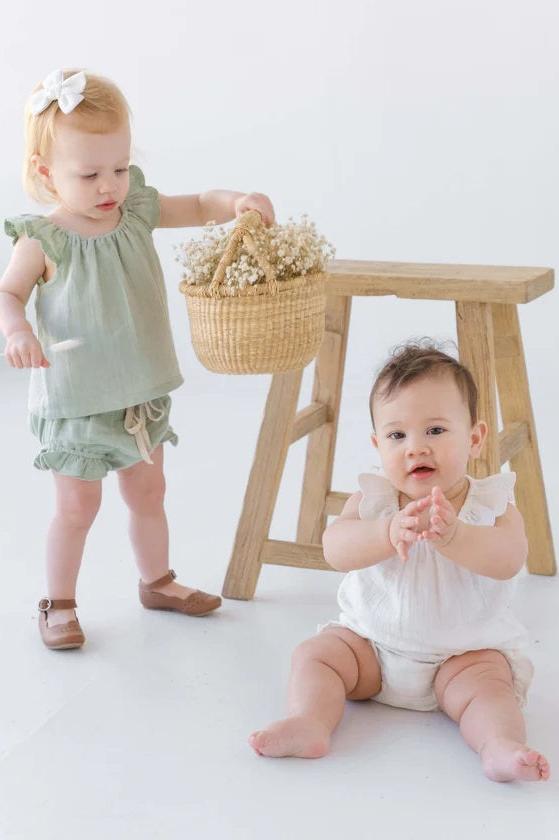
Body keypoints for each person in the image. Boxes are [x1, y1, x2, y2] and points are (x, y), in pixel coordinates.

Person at [0, 69, 275, 650]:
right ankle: (58, 602)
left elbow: (199, 204)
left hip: (140, 391)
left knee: (149, 493)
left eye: (120, 168)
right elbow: (8, 293)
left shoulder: (137, 211)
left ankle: (158, 580)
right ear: (47, 173)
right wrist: (17, 329)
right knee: (77, 506)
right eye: (91, 174)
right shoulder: (44, 238)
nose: (110, 186)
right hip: (76, 399)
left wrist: (237, 202)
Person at [249, 342, 550, 783]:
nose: (416, 448)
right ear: (377, 444)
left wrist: (457, 537)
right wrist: (383, 533)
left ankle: (497, 745)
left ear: (475, 437)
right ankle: (310, 722)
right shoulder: (373, 499)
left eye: (435, 430)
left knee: (491, 689)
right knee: (315, 656)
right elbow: (335, 549)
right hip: (370, 646)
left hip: (462, 656)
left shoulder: (491, 503)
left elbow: (509, 559)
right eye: (397, 435)